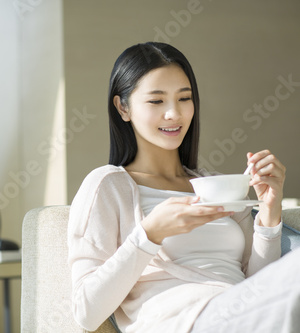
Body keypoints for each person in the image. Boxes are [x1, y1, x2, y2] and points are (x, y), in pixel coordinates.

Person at [67, 42, 299, 333]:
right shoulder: (107, 186)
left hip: (242, 312)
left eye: (184, 98)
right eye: (156, 101)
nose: (174, 114)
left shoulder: (217, 185)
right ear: (123, 107)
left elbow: (260, 286)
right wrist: (150, 234)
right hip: (181, 321)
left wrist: (269, 209)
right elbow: (86, 312)